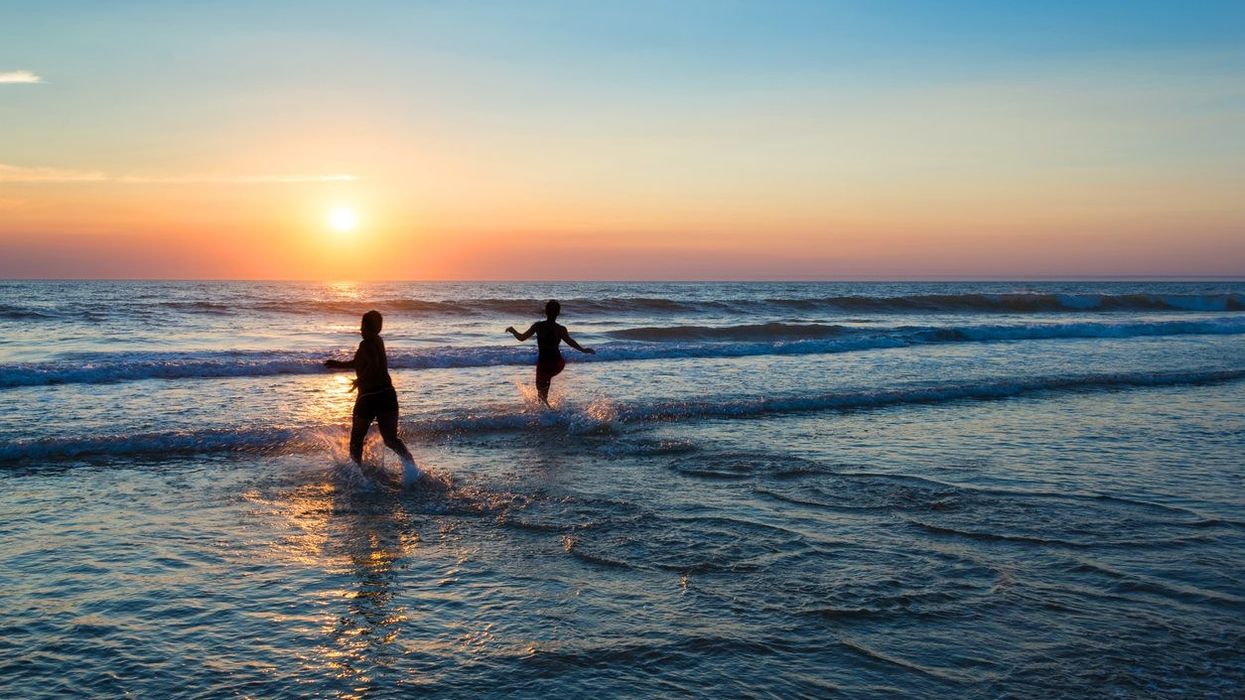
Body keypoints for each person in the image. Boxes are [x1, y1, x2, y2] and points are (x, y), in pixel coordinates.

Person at [325, 310, 421, 486]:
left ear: (369, 329)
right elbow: (362, 362)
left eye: (363, 327)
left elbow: (373, 364)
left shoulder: (365, 344)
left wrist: (359, 380)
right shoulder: (378, 341)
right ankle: (412, 467)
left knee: (356, 440)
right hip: (387, 394)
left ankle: (357, 476)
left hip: (368, 398)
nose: (360, 330)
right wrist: (337, 364)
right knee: (391, 439)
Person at [506, 300, 595, 406]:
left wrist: (513, 331)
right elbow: (570, 342)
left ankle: (549, 417)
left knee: (541, 395)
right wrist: (583, 350)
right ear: (558, 313)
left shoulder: (538, 326)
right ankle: (550, 415)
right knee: (543, 394)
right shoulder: (560, 329)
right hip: (557, 363)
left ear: (545, 312)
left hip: (544, 364)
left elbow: (521, 338)